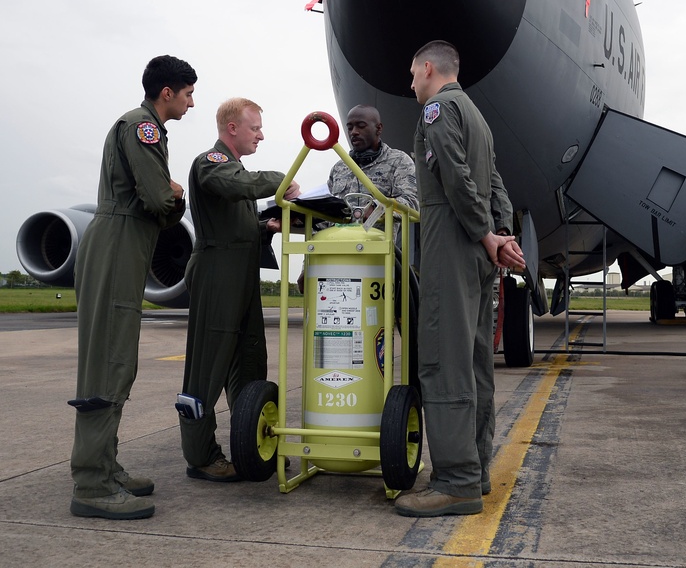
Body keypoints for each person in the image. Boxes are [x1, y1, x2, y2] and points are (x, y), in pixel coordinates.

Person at [395, 40, 525, 518]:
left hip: (452, 239)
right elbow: (494, 183)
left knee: (443, 358)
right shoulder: (477, 116)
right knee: (474, 362)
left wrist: (485, 234)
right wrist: (500, 232)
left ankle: (454, 480)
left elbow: (453, 176)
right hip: (477, 249)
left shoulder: (437, 110)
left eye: (412, 74)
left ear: (428, 68)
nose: (411, 84)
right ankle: (476, 469)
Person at [70, 55, 197, 520]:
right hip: (119, 246)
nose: (191, 102)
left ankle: (106, 465)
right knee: (108, 361)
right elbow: (159, 200)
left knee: (118, 361)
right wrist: (176, 196)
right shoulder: (142, 127)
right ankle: (92, 483)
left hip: (125, 246)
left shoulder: (143, 127)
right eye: (187, 94)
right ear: (167, 92)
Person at [178, 98, 300, 482]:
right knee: (206, 369)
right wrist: (284, 181)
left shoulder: (238, 173)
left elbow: (238, 216)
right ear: (232, 128)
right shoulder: (210, 164)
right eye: (255, 128)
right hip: (217, 276)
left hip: (242, 280)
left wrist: (265, 228)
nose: (261, 135)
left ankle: (252, 446)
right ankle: (200, 456)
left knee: (249, 364)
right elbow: (234, 186)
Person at [297, 104, 417, 293]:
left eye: (360, 126)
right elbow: (322, 222)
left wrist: (377, 208)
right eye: (350, 127)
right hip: (335, 262)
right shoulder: (339, 168)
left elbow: (411, 203)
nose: (354, 132)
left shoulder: (399, 162)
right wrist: (307, 267)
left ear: (378, 128)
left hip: (376, 263)